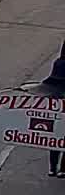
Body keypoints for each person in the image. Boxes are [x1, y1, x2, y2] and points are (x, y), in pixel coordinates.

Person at [44, 43, 65, 176]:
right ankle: (63, 169)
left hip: (57, 105)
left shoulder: (59, 63)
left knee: (56, 137)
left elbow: (50, 82)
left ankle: (53, 167)